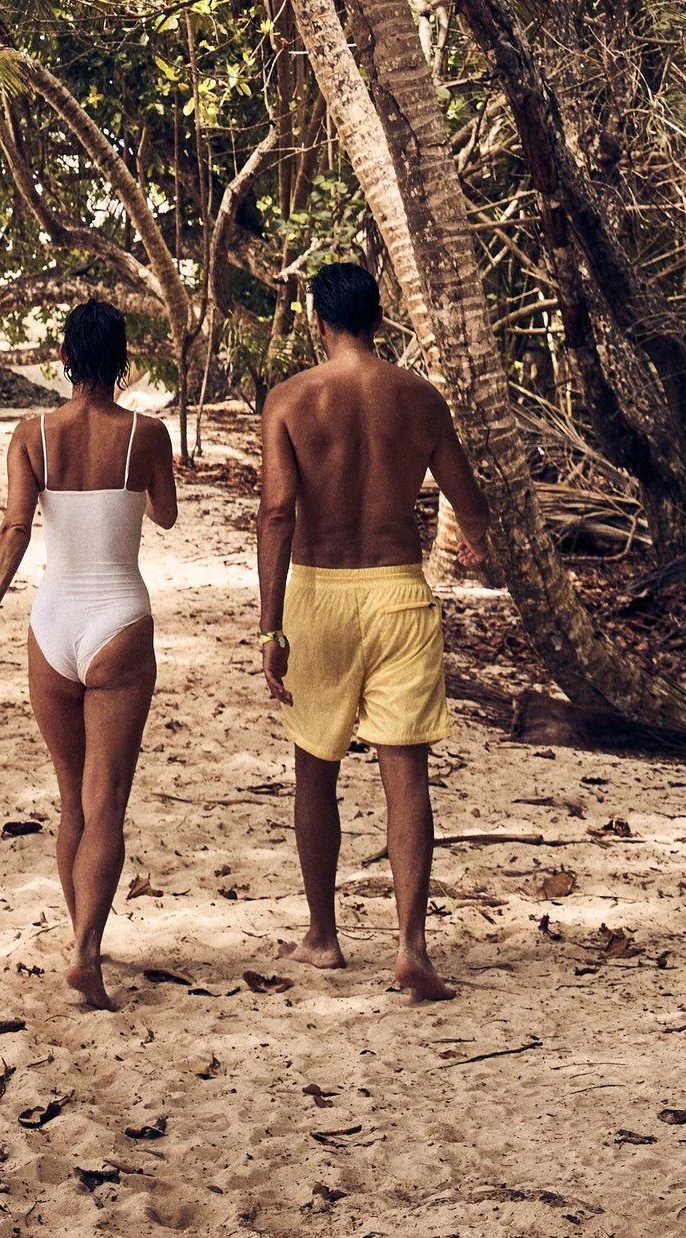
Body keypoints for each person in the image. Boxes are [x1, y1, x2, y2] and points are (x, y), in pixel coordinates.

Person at [257, 259, 491, 1002]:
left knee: (313, 770)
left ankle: (323, 937)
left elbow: (276, 514)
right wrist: (473, 542)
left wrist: (271, 627)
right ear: (379, 320)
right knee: (406, 772)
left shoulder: (292, 399)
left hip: (319, 593)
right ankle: (411, 947)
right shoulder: (420, 398)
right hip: (397, 592)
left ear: (318, 322)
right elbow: (468, 501)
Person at [0, 296, 178, 1007]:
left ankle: (80, 937)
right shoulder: (147, 434)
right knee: (107, 803)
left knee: (71, 804)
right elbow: (167, 514)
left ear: (62, 358)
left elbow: (15, 527)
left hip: (52, 622)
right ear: (124, 361)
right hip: (119, 617)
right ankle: (88, 946)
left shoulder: (32, 434)